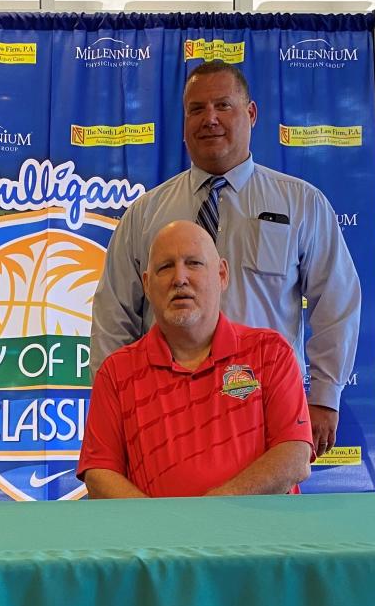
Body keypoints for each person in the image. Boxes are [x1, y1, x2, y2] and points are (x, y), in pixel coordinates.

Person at [90, 60, 359, 457]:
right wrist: (113, 404)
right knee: (160, 516)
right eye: (196, 109)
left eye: (223, 105)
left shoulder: (302, 203)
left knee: (264, 517)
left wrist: (324, 396)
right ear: (184, 123)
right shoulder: (145, 213)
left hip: (265, 406)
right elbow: (114, 313)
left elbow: (336, 304)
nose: (209, 119)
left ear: (251, 113)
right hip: (162, 411)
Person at [78, 221, 313, 499]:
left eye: (194, 263)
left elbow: (295, 455)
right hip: (159, 542)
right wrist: (166, 533)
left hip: (258, 539)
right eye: (165, 267)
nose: (180, 278)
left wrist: (212, 512)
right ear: (147, 284)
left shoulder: (270, 353)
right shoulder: (116, 372)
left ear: (222, 274)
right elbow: (99, 474)